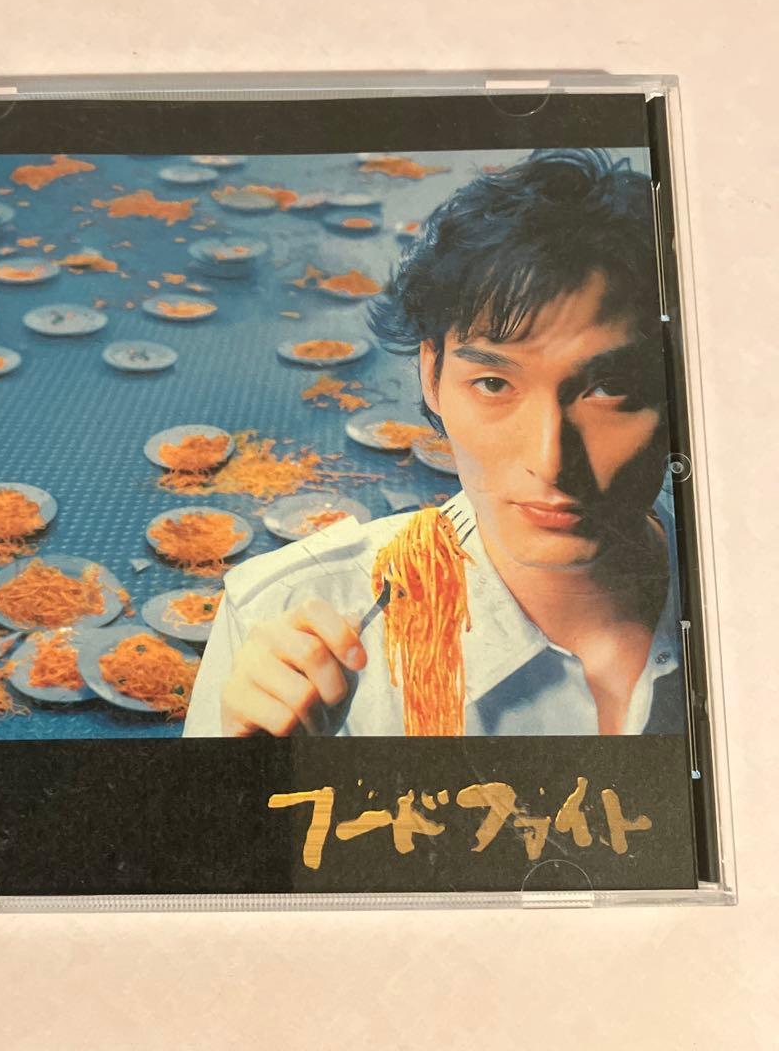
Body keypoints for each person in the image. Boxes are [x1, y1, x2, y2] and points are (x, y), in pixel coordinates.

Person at [182, 148, 685, 738]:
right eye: (493, 383)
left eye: (610, 389)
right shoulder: (283, 620)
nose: (550, 462)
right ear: (431, 375)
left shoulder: (745, 582)